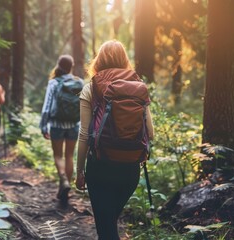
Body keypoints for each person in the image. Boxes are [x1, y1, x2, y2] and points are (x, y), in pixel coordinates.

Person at [75, 40, 154, 240]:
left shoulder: (91, 88)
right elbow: (150, 133)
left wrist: (79, 171)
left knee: (106, 228)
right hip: (130, 169)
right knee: (109, 224)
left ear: (99, 60)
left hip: (101, 166)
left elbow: (84, 134)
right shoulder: (137, 88)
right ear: (124, 59)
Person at [40, 54, 84, 202]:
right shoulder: (79, 82)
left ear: (58, 65)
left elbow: (47, 106)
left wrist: (43, 125)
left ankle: (63, 180)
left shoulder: (54, 83)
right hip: (73, 125)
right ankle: (65, 187)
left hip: (57, 125)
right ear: (71, 66)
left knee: (58, 155)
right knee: (70, 156)